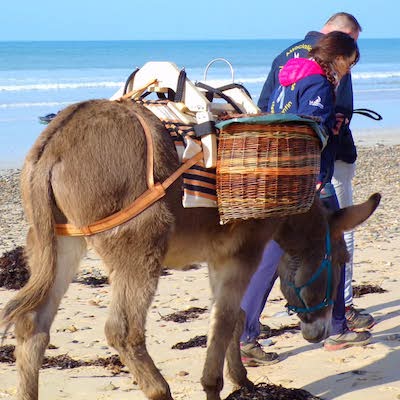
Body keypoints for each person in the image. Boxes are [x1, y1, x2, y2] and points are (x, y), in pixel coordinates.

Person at [240, 26, 371, 367]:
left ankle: (244, 334)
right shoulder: (318, 82)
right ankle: (338, 328)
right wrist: (317, 171)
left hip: (281, 177)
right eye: (350, 64)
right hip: (307, 182)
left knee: (271, 254)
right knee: (334, 246)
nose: (348, 72)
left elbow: (267, 110)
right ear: (338, 58)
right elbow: (311, 130)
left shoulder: (290, 74)